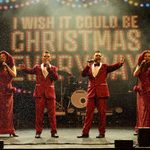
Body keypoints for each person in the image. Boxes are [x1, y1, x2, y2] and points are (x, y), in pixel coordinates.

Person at [77, 50, 125, 138]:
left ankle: (102, 133)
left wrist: (120, 63)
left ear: (101, 57)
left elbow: (113, 67)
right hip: (91, 93)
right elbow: (83, 74)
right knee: (88, 114)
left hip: (102, 93)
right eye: (96, 55)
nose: (98, 57)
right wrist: (88, 66)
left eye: (99, 55)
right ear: (94, 57)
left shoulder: (104, 66)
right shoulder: (89, 66)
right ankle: (85, 133)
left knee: (102, 114)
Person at [20, 51, 59, 138]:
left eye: (47, 56)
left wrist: (49, 69)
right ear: (42, 57)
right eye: (44, 56)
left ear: (50, 58)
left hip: (50, 94)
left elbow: (56, 77)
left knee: (52, 115)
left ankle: (54, 132)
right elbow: (30, 71)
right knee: (39, 114)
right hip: (40, 93)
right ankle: (38, 132)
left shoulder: (53, 68)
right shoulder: (37, 67)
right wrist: (24, 69)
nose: (46, 58)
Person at [0, 50, 18, 137]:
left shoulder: (11, 65)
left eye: (4, 56)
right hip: (0, 90)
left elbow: (14, 75)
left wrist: (6, 66)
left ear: (7, 58)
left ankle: (10, 130)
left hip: (8, 91)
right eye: (1, 56)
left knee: (8, 112)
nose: (2, 57)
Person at [133, 50, 150, 134]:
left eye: (149, 56)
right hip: (141, 90)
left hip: (149, 89)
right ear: (142, 57)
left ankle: (147, 128)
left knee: (148, 109)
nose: (147, 57)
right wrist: (141, 66)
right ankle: (141, 128)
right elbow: (135, 74)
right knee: (141, 109)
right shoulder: (140, 65)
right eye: (145, 56)